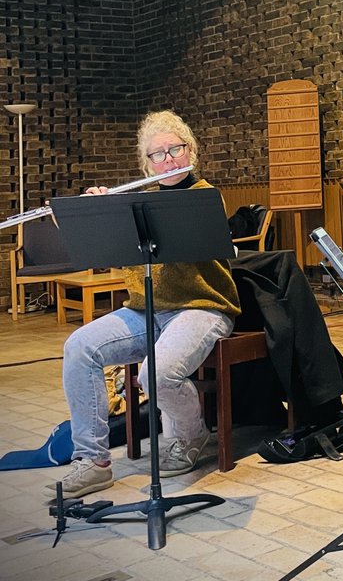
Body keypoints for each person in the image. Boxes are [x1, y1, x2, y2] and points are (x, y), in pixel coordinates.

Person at [49, 111, 240, 500]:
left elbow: (189, 253)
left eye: (175, 149)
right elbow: (105, 255)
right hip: (144, 310)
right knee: (79, 347)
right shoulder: (137, 203)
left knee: (156, 373)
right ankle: (93, 461)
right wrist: (96, 215)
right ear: (146, 163)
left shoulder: (204, 196)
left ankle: (192, 436)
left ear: (191, 152)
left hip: (201, 308)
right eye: (158, 154)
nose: (168, 160)